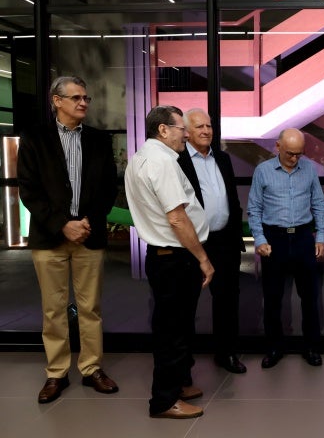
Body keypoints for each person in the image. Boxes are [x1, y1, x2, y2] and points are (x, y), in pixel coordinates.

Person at [17, 76, 119, 404]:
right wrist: (63, 224)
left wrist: (87, 222)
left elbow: (109, 188)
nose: (83, 103)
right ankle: (57, 373)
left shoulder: (99, 140)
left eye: (86, 98)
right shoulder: (35, 138)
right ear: (56, 101)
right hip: (49, 236)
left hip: (89, 234)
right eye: (76, 97)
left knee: (90, 307)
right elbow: (29, 189)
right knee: (54, 309)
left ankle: (91, 368)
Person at [124, 105, 214, 419]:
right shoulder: (162, 162)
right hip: (175, 259)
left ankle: (178, 384)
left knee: (176, 326)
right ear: (163, 130)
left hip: (164, 258)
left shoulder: (140, 158)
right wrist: (203, 258)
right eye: (181, 128)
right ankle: (164, 401)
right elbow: (176, 218)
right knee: (172, 331)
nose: (187, 134)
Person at [247, 128, 324, 368]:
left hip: (303, 237)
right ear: (278, 147)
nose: (294, 158)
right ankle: (274, 348)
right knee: (273, 298)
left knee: (310, 297)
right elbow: (254, 208)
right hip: (275, 239)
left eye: (299, 153)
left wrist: (321, 236)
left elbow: (319, 204)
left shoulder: (309, 169)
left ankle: (311, 347)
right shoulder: (263, 171)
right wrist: (260, 239)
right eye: (290, 153)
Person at [177, 108, 247, 374]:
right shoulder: (177, 160)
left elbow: (232, 198)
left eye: (208, 126)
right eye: (199, 127)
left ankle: (226, 353)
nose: (206, 131)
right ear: (186, 132)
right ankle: (184, 362)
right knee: (187, 303)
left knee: (227, 301)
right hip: (192, 244)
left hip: (225, 242)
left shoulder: (223, 158)